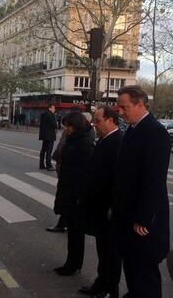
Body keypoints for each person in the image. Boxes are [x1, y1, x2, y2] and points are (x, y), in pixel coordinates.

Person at [113, 85, 171, 298]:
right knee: (133, 270)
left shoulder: (155, 132)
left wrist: (143, 219)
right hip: (128, 216)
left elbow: (153, 181)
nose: (120, 111)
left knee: (145, 275)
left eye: (124, 107)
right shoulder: (134, 128)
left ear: (140, 104)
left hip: (143, 222)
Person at [79, 107, 122, 298]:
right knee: (102, 250)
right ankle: (101, 282)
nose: (94, 124)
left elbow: (115, 179)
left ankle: (109, 288)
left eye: (98, 120)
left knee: (110, 252)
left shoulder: (117, 142)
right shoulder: (106, 140)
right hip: (98, 205)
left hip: (107, 207)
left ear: (111, 120)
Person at [53, 112, 94, 276]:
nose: (66, 129)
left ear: (76, 126)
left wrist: (79, 196)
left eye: (68, 126)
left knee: (76, 233)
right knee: (73, 231)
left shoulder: (84, 143)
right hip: (69, 190)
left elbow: (85, 173)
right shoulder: (75, 139)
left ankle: (73, 264)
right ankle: (72, 262)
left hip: (76, 194)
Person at [39, 104, 57, 170]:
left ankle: (41, 164)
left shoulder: (43, 114)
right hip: (50, 135)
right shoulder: (51, 115)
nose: (54, 109)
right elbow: (54, 125)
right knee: (49, 151)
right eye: (53, 108)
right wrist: (56, 124)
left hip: (44, 135)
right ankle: (49, 165)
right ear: (50, 108)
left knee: (43, 150)